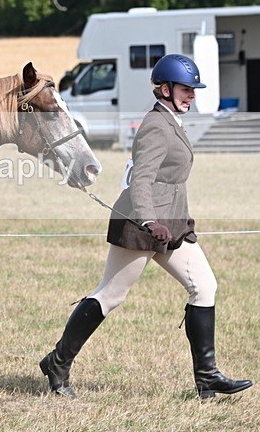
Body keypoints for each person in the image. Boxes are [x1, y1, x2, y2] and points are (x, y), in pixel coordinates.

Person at [39, 54, 253, 400]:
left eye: (193, 90)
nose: (191, 95)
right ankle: (57, 362)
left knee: (204, 286)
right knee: (110, 295)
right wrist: (149, 219)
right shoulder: (156, 124)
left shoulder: (173, 121)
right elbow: (141, 178)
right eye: (186, 89)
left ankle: (207, 377)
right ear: (165, 89)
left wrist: (174, 220)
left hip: (173, 223)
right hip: (142, 222)